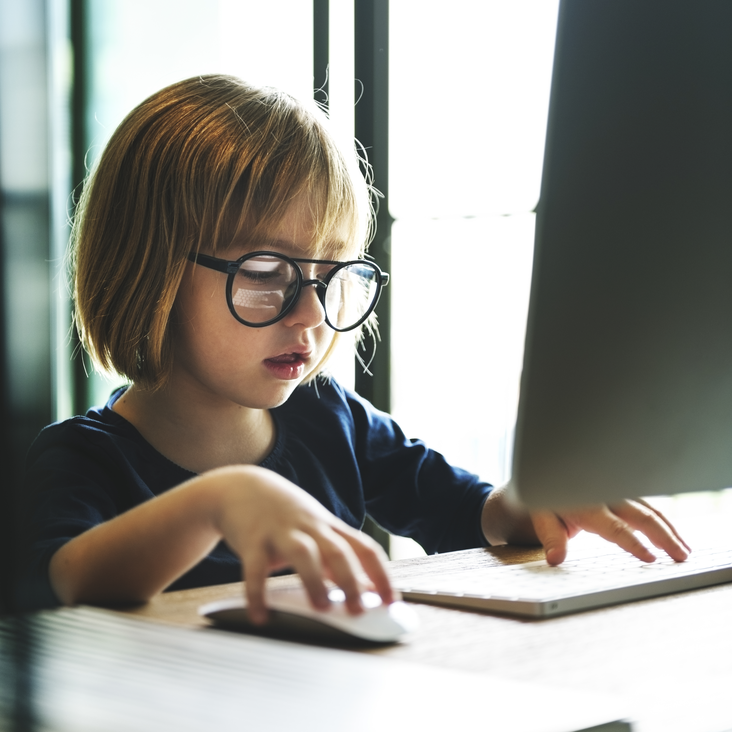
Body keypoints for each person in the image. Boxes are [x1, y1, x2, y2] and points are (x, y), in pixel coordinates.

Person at [18, 74, 690, 619]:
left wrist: (543, 497)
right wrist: (220, 501)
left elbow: (470, 514)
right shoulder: (79, 460)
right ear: (147, 267)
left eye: (331, 277)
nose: (310, 314)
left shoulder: (330, 418)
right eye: (264, 275)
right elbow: (73, 583)